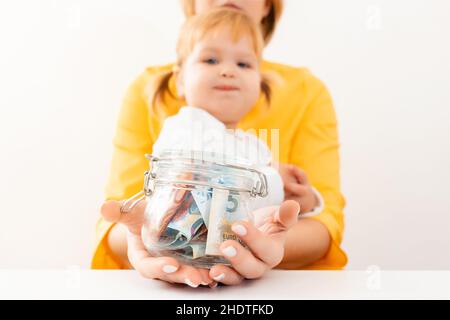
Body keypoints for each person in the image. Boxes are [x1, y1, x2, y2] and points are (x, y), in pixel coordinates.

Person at [93, 0, 347, 288]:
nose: (228, 71)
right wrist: (141, 228)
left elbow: (322, 221)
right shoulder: (183, 124)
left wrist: (298, 195)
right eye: (210, 60)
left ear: (260, 86)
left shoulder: (266, 133)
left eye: (243, 64)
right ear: (179, 80)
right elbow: (115, 218)